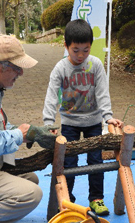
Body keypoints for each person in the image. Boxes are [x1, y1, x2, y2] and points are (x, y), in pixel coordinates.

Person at [42, 19, 123, 216]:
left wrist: (108, 117)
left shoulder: (95, 65)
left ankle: (96, 199)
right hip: (69, 123)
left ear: (90, 47)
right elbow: (51, 96)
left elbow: (103, 92)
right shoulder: (60, 68)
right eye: (75, 50)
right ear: (66, 46)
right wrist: (48, 123)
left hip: (93, 122)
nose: (80, 55)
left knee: (95, 160)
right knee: (69, 163)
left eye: (85, 50)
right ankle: (68, 200)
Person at [0, 35, 57, 222]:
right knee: (30, 194)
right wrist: (18, 135)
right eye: (16, 67)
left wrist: (31, 133)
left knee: (30, 180)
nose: (21, 73)